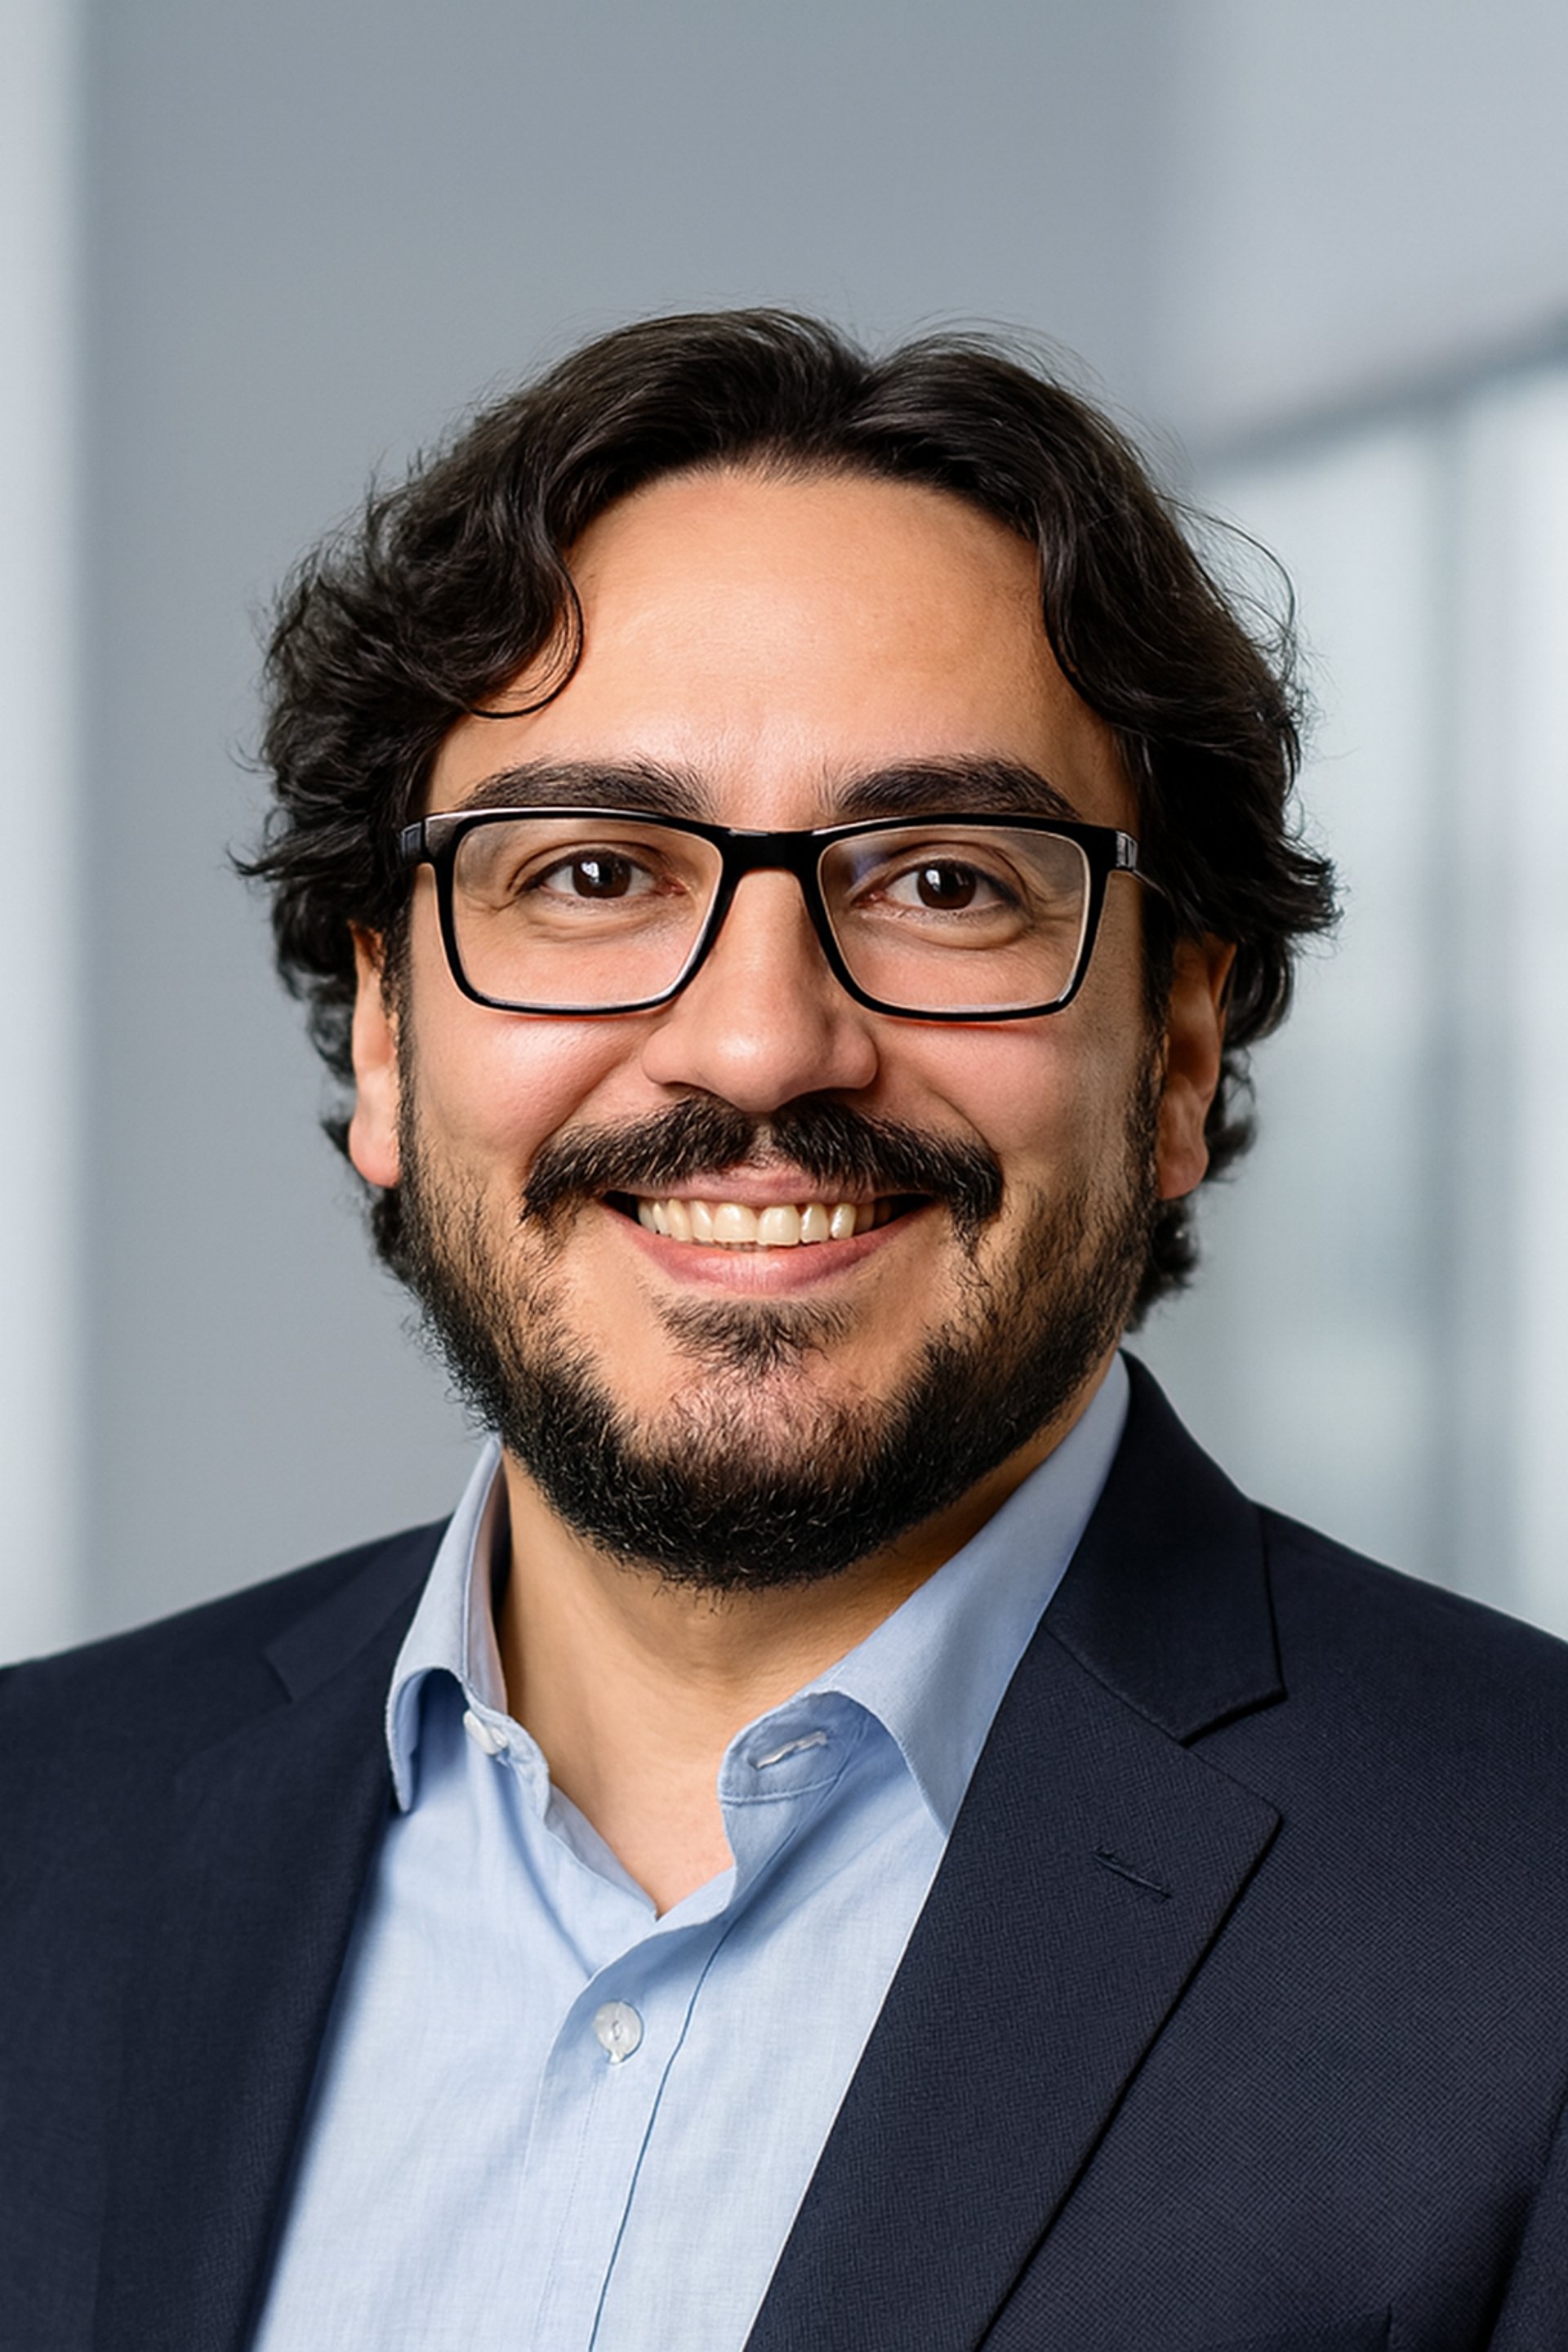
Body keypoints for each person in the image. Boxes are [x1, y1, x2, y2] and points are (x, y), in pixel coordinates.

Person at [4, 311, 1568, 2352]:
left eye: (939, 880)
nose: (758, 1038)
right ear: (387, 1032)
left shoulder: (1529, 1917)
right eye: (587, 871)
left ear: (1177, 1049)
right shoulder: (39, 1837)